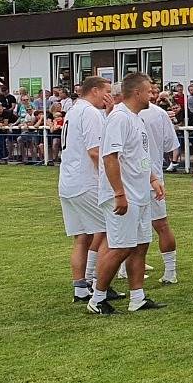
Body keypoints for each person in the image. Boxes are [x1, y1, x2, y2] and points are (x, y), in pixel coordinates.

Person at [88, 72, 166, 315]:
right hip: (125, 196)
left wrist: (153, 178)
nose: (153, 95)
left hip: (140, 193)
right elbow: (110, 157)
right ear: (137, 92)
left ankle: (137, 297)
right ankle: (97, 298)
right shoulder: (119, 118)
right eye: (150, 91)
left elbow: (140, 155)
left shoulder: (136, 118)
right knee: (120, 247)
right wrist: (119, 193)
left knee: (140, 245)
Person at [58, 76, 124, 305]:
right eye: (107, 91)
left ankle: (80, 287)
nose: (110, 95)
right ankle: (99, 284)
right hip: (86, 182)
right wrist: (112, 181)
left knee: (82, 236)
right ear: (94, 91)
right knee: (109, 231)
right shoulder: (90, 113)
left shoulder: (74, 110)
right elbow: (96, 151)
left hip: (68, 181)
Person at [138, 89, 182, 284]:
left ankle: (169, 271)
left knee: (148, 225)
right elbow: (170, 144)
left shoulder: (119, 114)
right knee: (159, 225)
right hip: (148, 175)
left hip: (143, 176)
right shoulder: (158, 113)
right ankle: (169, 271)